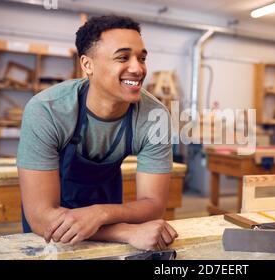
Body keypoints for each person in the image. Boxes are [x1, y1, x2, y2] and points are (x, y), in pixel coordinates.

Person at [17, 15, 177, 251]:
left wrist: (100, 213)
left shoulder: (155, 117)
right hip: (54, 230)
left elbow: (153, 204)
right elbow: (41, 217)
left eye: (141, 58)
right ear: (87, 65)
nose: (138, 68)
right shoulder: (47, 110)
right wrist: (125, 231)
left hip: (107, 203)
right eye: (123, 57)